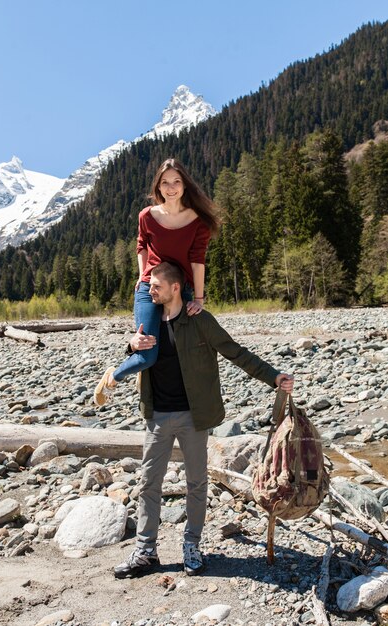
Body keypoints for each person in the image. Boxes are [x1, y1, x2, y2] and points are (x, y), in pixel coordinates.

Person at [113, 262, 295, 579]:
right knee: (148, 484)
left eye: (155, 285)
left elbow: (236, 353)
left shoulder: (200, 321)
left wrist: (274, 377)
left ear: (173, 288)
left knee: (196, 484)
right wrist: (129, 344)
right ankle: (145, 551)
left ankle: (191, 547)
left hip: (194, 417)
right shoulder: (150, 319)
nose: (148, 289)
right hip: (157, 416)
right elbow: (134, 355)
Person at [94, 158, 221, 406]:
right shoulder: (147, 216)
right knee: (146, 356)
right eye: (165, 182)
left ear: (185, 185)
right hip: (149, 290)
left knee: (184, 349)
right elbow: (141, 246)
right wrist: (143, 276)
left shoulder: (198, 221)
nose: (171, 187)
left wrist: (198, 298)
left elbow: (197, 260)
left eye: (176, 181)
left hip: (179, 290)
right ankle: (113, 377)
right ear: (158, 187)